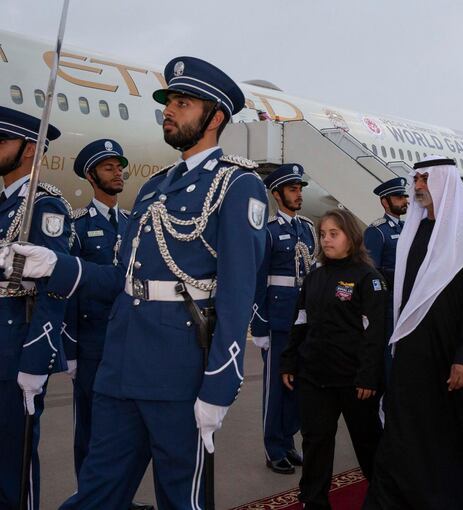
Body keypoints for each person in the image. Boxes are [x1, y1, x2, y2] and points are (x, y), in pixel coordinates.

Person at [2, 56, 268, 509]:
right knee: (97, 493)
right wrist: (56, 265)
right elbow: (119, 279)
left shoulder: (236, 185)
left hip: (179, 373)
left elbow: (239, 292)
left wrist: (220, 386)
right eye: (169, 102)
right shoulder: (153, 188)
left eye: (182, 103)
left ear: (215, 117)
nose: (169, 110)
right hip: (119, 366)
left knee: (182, 499)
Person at [364, 156, 463, 510]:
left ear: (443, 182)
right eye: (416, 178)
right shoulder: (413, 232)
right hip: (411, 353)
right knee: (406, 431)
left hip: (451, 355)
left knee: (453, 435)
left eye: (424, 178)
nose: (418, 185)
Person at [280, 209, 385, 510]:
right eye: (323, 234)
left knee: (368, 443)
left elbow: (374, 334)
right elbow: (300, 321)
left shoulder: (369, 278)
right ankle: (313, 501)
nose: (326, 240)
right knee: (315, 442)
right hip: (315, 377)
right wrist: (289, 361)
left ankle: (383, 498)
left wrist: (368, 376)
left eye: (333, 234)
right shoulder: (315, 276)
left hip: (354, 381)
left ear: (351, 238)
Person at [0, 106, 69, 510]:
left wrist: (36, 360)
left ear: (29, 150)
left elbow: (55, 286)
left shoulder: (43, 206)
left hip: (16, 350)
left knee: (15, 462)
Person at [64, 139, 130, 476]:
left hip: (129, 342)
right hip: (92, 343)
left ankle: (117, 494)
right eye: (109, 167)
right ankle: (89, 496)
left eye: (119, 167)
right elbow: (68, 292)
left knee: (123, 426)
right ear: (91, 176)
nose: (118, 173)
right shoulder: (76, 227)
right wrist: (70, 350)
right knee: (90, 427)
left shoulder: (134, 224)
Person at [252, 163, 316, 474]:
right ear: (277, 194)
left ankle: (288, 441)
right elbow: (257, 283)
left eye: (300, 188)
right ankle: (273, 447)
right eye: (293, 189)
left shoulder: (306, 228)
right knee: (276, 389)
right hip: (278, 324)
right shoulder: (268, 233)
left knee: (298, 386)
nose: (298, 194)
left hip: (302, 322)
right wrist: (259, 327)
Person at [363, 177, 408, 291]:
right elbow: (371, 270)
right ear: (385, 202)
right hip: (389, 296)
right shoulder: (377, 231)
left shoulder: (406, 226)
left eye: (404, 197)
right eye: (399, 197)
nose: (405, 201)